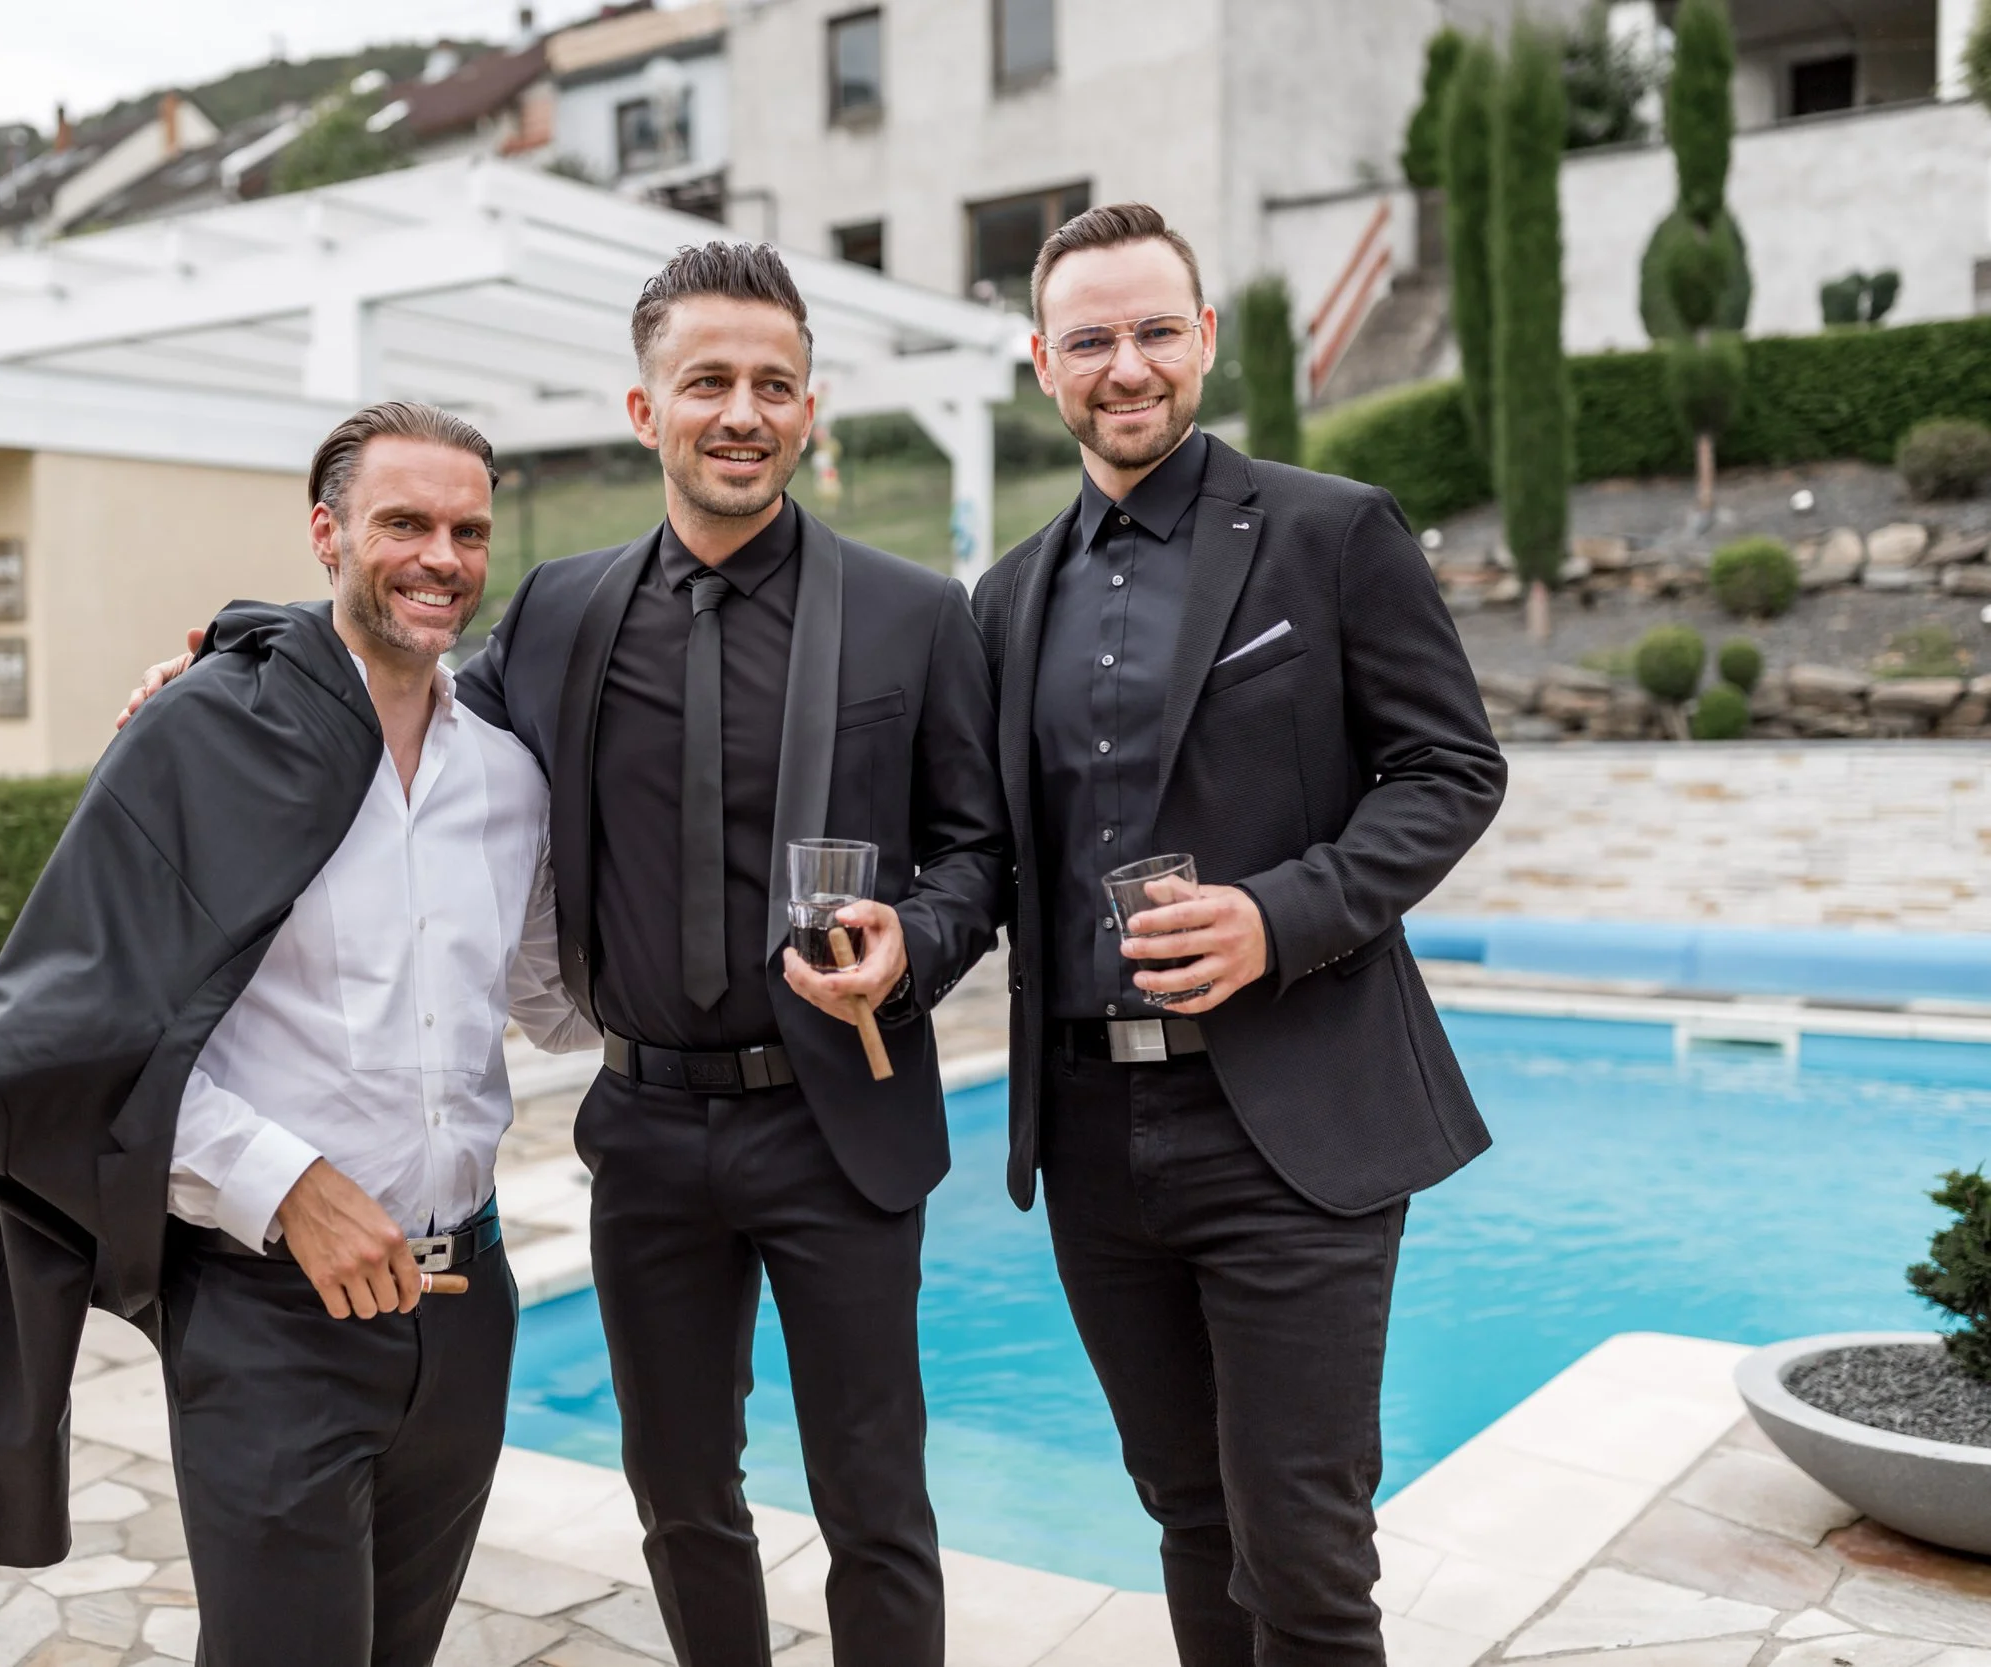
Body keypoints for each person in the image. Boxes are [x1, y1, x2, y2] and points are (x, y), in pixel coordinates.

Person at [125, 243, 1006, 1667]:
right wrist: (226, 663)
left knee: (876, 1496)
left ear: (810, 408)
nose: (742, 409)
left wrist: (922, 938)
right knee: (678, 1494)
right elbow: (397, 660)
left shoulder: (917, 613)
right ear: (643, 408)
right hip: (648, 1127)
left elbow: (980, 850)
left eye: (773, 384)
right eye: (706, 379)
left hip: (836, 1112)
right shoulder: (557, 610)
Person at [0, 400, 594, 1667]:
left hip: (467, 1306)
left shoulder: (508, 777)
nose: (441, 557)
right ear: (326, 532)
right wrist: (284, 1185)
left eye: (467, 529)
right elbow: (67, 1038)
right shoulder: (203, 734)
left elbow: (556, 1000)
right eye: (403, 522)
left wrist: (763, 976)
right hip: (267, 1316)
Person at [970, 203, 1507, 1667]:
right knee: (1187, 1512)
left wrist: (1278, 915)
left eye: (1155, 330)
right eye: (1091, 339)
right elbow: (983, 850)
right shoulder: (1005, 597)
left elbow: (1454, 770)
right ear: (1042, 364)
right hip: (1088, 1126)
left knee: (1307, 1547)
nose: (1125, 364)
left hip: (1294, 1114)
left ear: (1204, 339)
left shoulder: (1336, 531)